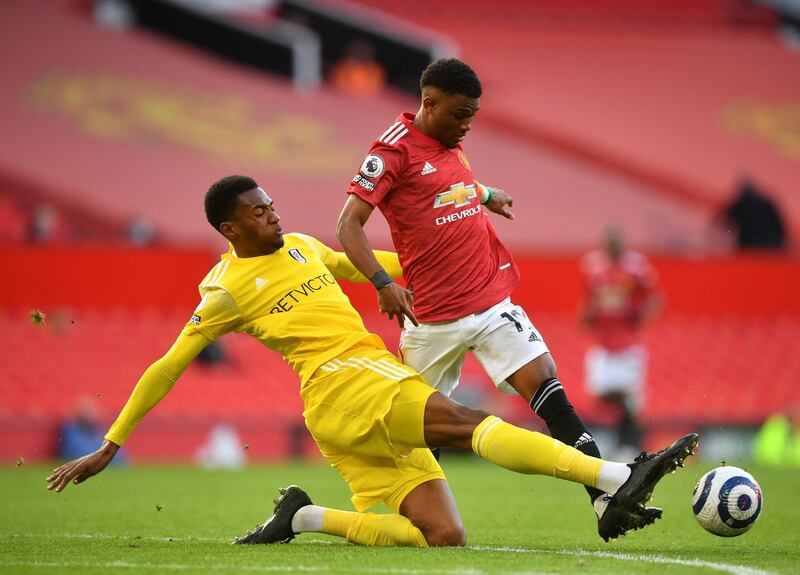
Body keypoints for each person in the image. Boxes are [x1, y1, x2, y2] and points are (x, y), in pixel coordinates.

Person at [46, 176, 698, 548]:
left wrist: (438, 268)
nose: (273, 213)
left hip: (346, 408)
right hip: (346, 381)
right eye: (258, 210)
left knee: (441, 536)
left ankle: (302, 515)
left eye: (272, 204)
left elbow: (372, 265)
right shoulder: (223, 291)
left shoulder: (300, 245)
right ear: (230, 228)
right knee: (467, 421)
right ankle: (614, 473)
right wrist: (112, 441)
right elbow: (167, 363)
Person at [335, 58, 646, 540]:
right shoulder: (390, 152)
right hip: (431, 318)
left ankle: (604, 495)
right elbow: (347, 224)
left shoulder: (450, 144)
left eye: (472, 116)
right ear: (429, 103)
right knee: (420, 431)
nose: (466, 125)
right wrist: (380, 281)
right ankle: (406, 519)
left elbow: (445, 186)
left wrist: (485, 194)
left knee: (548, 389)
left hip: (489, 299)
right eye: (459, 114)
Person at [579, 228, 662, 459]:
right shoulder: (592, 266)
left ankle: (631, 446)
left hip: (628, 344)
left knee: (632, 399)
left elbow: (654, 299)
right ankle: (616, 441)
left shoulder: (637, 267)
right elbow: (589, 300)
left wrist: (638, 315)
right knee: (601, 393)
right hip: (604, 344)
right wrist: (588, 316)